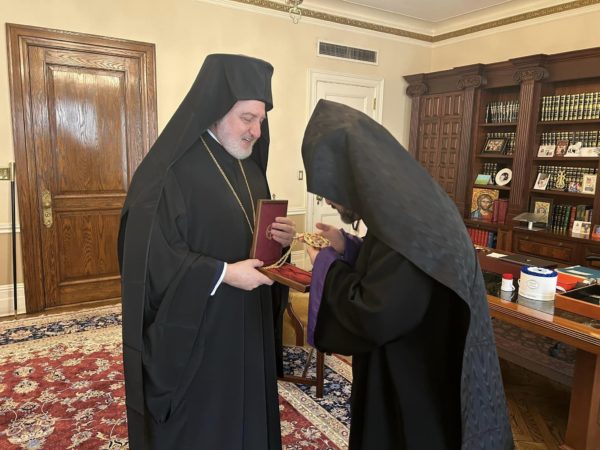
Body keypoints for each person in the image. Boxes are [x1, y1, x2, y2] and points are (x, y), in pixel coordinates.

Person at [301, 100, 513, 449]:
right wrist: (348, 246)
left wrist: (326, 265)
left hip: (413, 377)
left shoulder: (406, 226)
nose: (328, 201)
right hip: (421, 360)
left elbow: (376, 312)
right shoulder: (407, 208)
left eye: (330, 190)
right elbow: (391, 270)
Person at [118, 54, 295, 449]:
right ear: (217, 110)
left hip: (249, 321)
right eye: (247, 118)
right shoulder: (171, 172)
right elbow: (152, 257)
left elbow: (253, 239)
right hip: (201, 330)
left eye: (261, 120)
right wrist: (223, 273)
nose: (256, 131)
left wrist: (281, 240)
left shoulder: (251, 168)